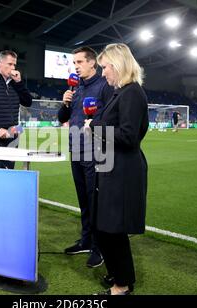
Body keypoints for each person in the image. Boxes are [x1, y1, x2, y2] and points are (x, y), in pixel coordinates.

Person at [84, 43, 148, 295]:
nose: (103, 73)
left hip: (123, 171)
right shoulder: (120, 92)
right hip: (112, 167)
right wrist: (94, 122)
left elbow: (129, 136)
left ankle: (121, 287)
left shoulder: (132, 93)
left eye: (105, 67)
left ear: (118, 65)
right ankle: (119, 277)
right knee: (105, 229)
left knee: (113, 230)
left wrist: (95, 128)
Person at [57, 47, 114, 268]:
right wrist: (66, 102)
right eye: (75, 62)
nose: (76, 66)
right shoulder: (76, 88)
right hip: (76, 149)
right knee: (84, 200)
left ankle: (99, 248)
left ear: (93, 63)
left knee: (95, 201)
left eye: (80, 62)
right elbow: (63, 117)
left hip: (96, 152)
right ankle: (86, 240)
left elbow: (109, 119)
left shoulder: (104, 86)